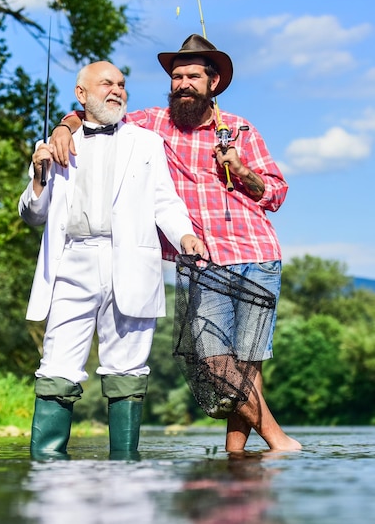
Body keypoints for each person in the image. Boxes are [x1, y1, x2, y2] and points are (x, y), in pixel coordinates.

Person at [51, 35, 302, 452]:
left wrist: (239, 168)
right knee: (219, 365)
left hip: (256, 254)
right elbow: (93, 111)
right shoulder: (151, 125)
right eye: (176, 77)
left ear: (213, 83)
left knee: (247, 369)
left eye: (192, 77)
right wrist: (64, 125)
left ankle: (235, 457)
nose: (183, 84)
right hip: (199, 260)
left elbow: (275, 193)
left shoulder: (240, 129)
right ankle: (279, 441)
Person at [19, 60, 204, 459]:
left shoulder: (146, 142)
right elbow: (32, 214)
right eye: (107, 84)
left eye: (122, 84)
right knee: (57, 364)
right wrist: (38, 174)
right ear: (81, 94)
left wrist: (185, 234)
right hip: (71, 261)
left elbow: (164, 200)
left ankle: (126, 469)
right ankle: (48, 470)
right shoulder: (54, 146)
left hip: (132, 262)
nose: (117, 90)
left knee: (128, 368)